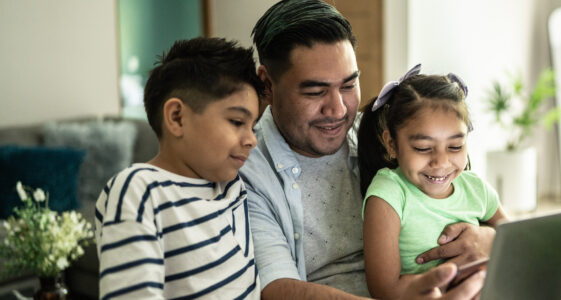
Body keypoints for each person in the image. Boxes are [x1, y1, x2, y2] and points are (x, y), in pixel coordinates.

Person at [240, 1, 496, 299]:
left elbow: (465, 200)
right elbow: (277, 288)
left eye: (348, 85)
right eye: (315, 92)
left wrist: (488, 238)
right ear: (267, 84)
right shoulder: (247, 171)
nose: (337, 109)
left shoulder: (383, 136)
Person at [94, 37, 264, 299]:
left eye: (252, 125)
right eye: (236, 121)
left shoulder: (231, 184)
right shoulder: (140, 191)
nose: (251, 138)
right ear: (177, 117)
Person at [358, 65, 508, 299]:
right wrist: (442, 282)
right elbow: (383, 289)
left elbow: (515, 239)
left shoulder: (476, 187)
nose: (440, 162)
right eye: (423, 148)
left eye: (455, 147)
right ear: (391, 144)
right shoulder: (388, 193)